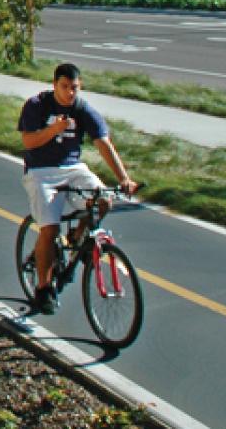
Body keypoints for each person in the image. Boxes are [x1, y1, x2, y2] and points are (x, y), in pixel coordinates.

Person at [18, 63, 138, 315]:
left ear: (79, 86)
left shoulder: (82, 109)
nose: (69, 93)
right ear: (54, 85)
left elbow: (103, 143)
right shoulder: (37, 105)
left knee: (103, 199)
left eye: (74, 88)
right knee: (49, 228)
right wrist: (53, 130)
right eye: (64, 87)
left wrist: (124, 178)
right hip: (41, 171)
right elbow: (28, 141)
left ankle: (76, 237)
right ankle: (43, 288)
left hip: (73, 168)